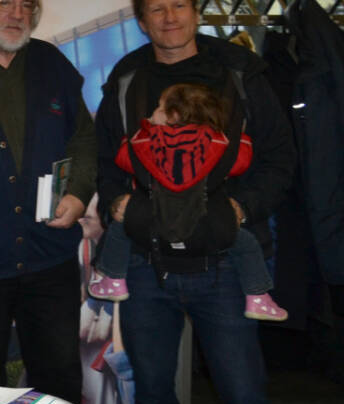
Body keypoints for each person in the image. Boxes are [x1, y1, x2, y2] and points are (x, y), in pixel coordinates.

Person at [97, 0, 293, 404]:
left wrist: (239, 210)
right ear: (141, 21)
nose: (169, 18)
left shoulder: (238, 71)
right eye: (156, 10)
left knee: (243, 397)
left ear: (195, 8)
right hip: (145, 265)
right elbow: (110, 158)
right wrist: (119, 208)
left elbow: (281, 158)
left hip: (227, 265)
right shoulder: (128, 78)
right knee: (153, 397)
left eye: (178, 6)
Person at [0, 0, 95, 402]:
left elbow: (85, 139)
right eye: (4, 2)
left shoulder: (51, 63)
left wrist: (78, 192)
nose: (17, 14)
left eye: (26, 5)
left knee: (59, 387)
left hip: (48, 259)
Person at [90, 82, 287, 322]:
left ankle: (114, 280)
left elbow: (124, 159)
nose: (152, 112)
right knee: (245, 244)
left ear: (173, 115)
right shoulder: (217, 142)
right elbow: (241, 161)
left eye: (158, 108)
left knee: (120, 230)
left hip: (154, 218)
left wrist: (138, 133)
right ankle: (258, 296)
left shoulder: (148, 142)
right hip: (208, 219)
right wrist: (239, 137)